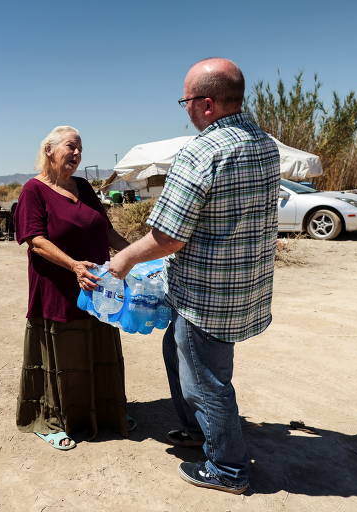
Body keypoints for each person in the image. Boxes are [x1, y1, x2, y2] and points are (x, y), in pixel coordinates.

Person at [109, 58, 280, 493]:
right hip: (243, 289)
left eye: (185, 101)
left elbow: (167, 236)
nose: (183, 109)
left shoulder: (202, 152)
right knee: (179, 352)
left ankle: (228, 469)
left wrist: (125, 259)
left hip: (207, 296)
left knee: (207, 382)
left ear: (206, 104)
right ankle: (200, 432)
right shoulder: (265, 144)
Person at [14, 125, 133, 450]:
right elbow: (35, 241)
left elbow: (104, 229)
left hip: (98, 290)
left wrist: (133, 254)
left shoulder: (82, 186)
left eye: (81, 148)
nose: (78, 154)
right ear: (49, 150)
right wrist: (74, 266)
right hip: (57, 289)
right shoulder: (33, 190)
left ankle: (105, 413)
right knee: (62, 356)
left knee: (97, 348)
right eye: (71, 147)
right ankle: (51, 421)